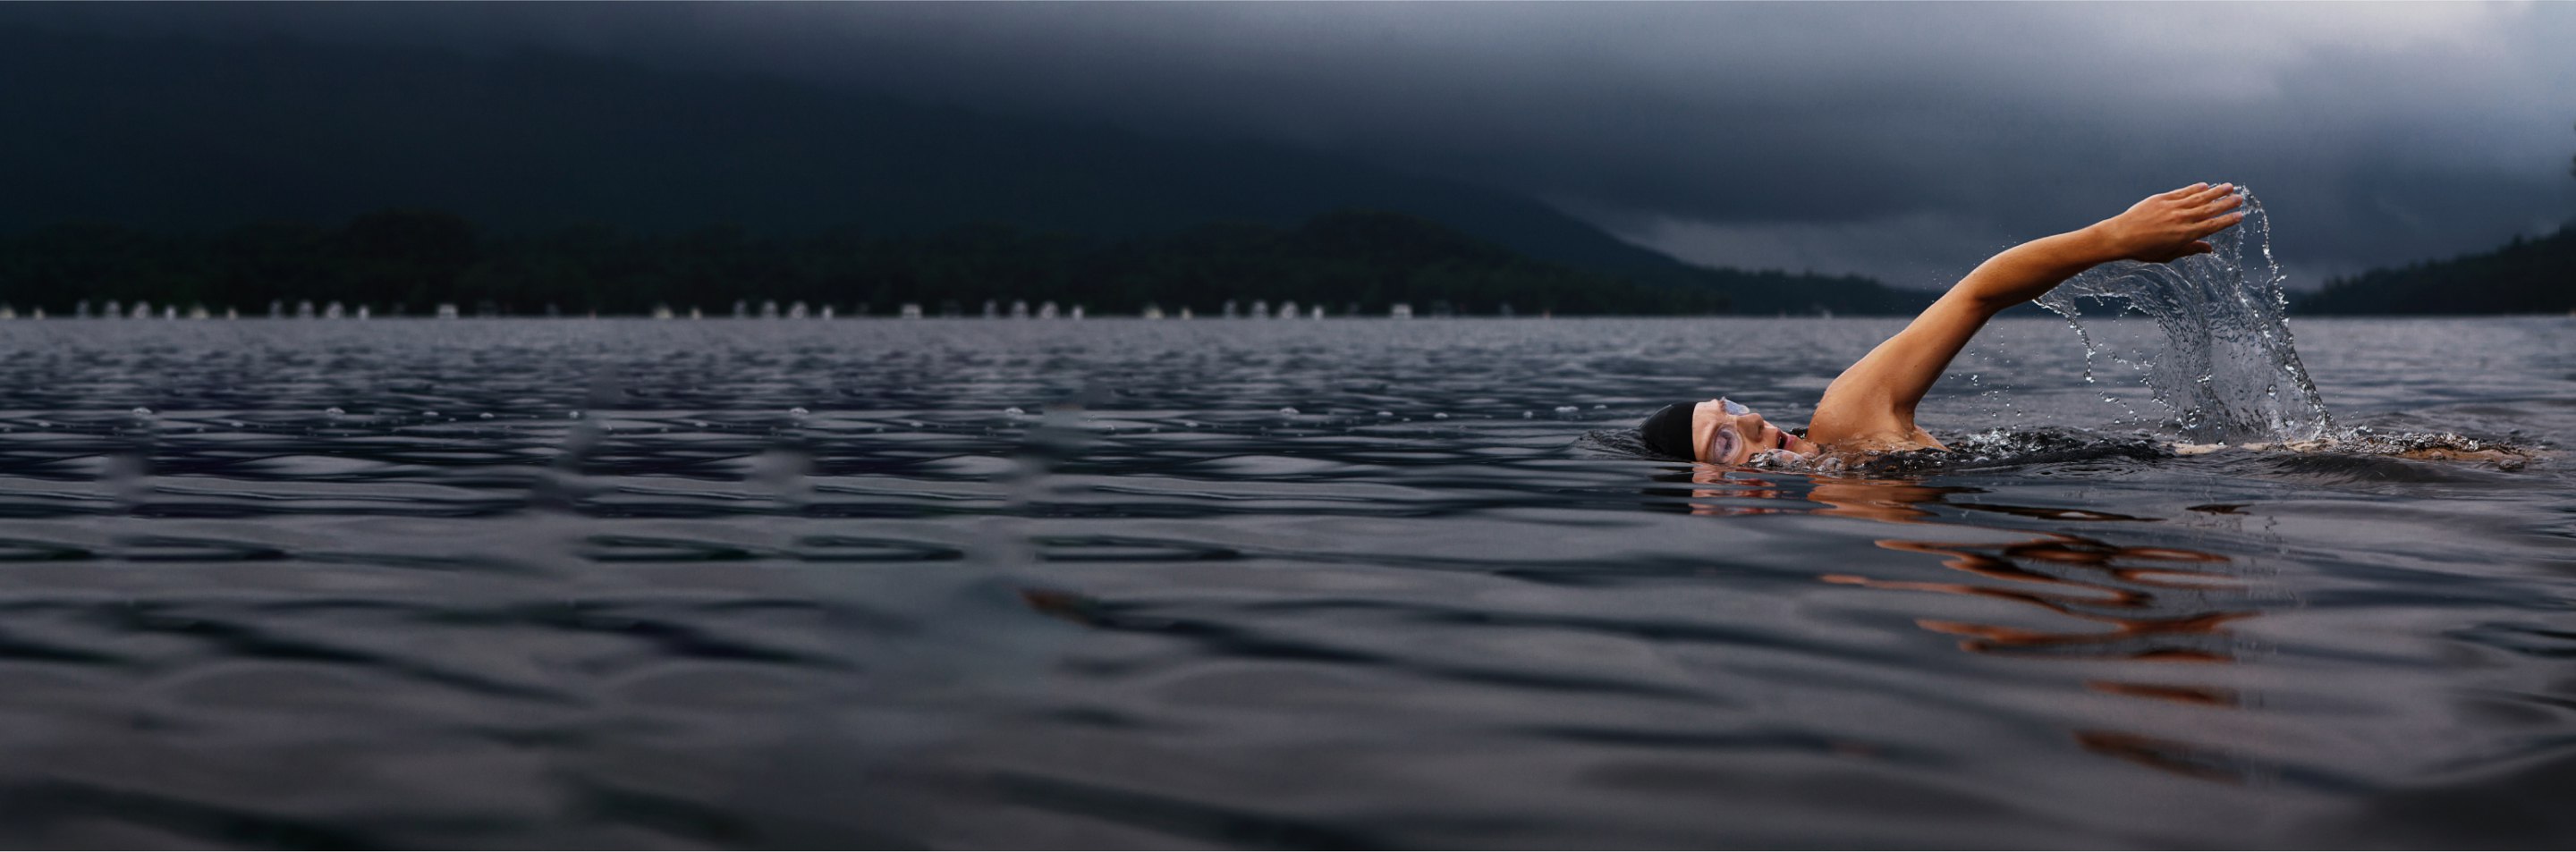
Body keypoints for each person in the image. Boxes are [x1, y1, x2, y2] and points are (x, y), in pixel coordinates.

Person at [1638, 182, 2249, 465]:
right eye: (1724, 441)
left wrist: (2113, 237)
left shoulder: (1846, 420)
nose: (1749, 419)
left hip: (2206, 465)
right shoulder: (1839, 524)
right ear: (1707, 496)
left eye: (1732, 406)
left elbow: (1977, 293)